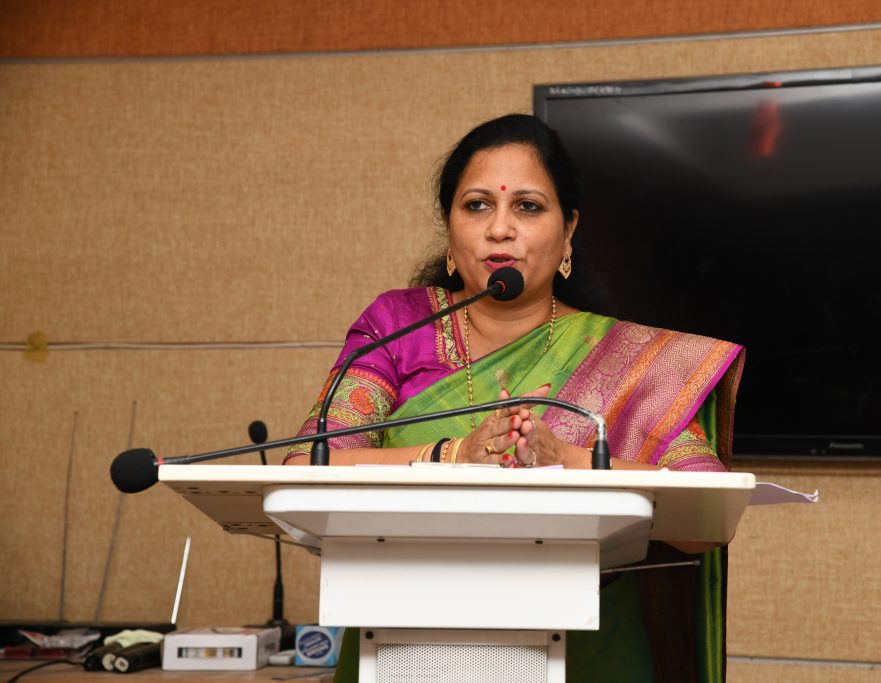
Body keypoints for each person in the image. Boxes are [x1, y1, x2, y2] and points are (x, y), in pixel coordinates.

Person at [284, 113, 744, 683]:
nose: (500, 228)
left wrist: (568, 460)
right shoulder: (397, 328)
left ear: (568, 230)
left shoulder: (627, 359)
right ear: (449, 228)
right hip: (405, 646)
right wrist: (451, 455)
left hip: (588, 654)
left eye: (527, 206)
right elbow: (307, 467)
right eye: (477, 205)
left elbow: (705, 517)